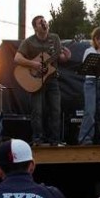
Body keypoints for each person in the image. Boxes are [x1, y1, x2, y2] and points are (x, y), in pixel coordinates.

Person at [14, 15, 71, 146]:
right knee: (37, 111)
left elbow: (59, 57)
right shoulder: (29, 42)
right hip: (35, 80)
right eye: (41, 23)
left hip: (52, 79)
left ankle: (55, 140)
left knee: (55, 110)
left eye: (45, 21)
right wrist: (33, 65)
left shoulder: (54, 38)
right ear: (35, 28)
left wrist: (66, 57)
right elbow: (17, 58)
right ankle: (37, 140)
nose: (44, 24)